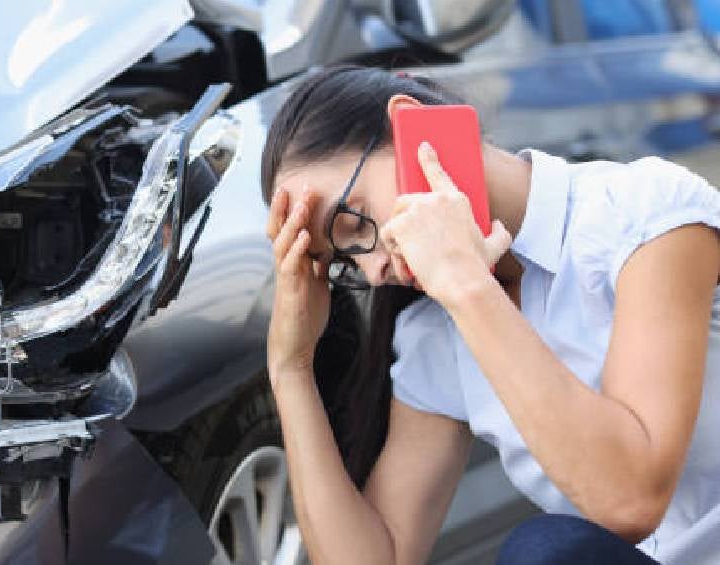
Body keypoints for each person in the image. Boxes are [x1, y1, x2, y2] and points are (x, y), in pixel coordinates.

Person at [261, 65, 720, 564]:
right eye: (343, 263)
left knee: (545, 551)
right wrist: (291, 368)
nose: (373, 270)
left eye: (353, 223)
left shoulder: (641, 215)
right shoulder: (437, 333)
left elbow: (630, 500)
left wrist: (467, 284)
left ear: (415, 128)